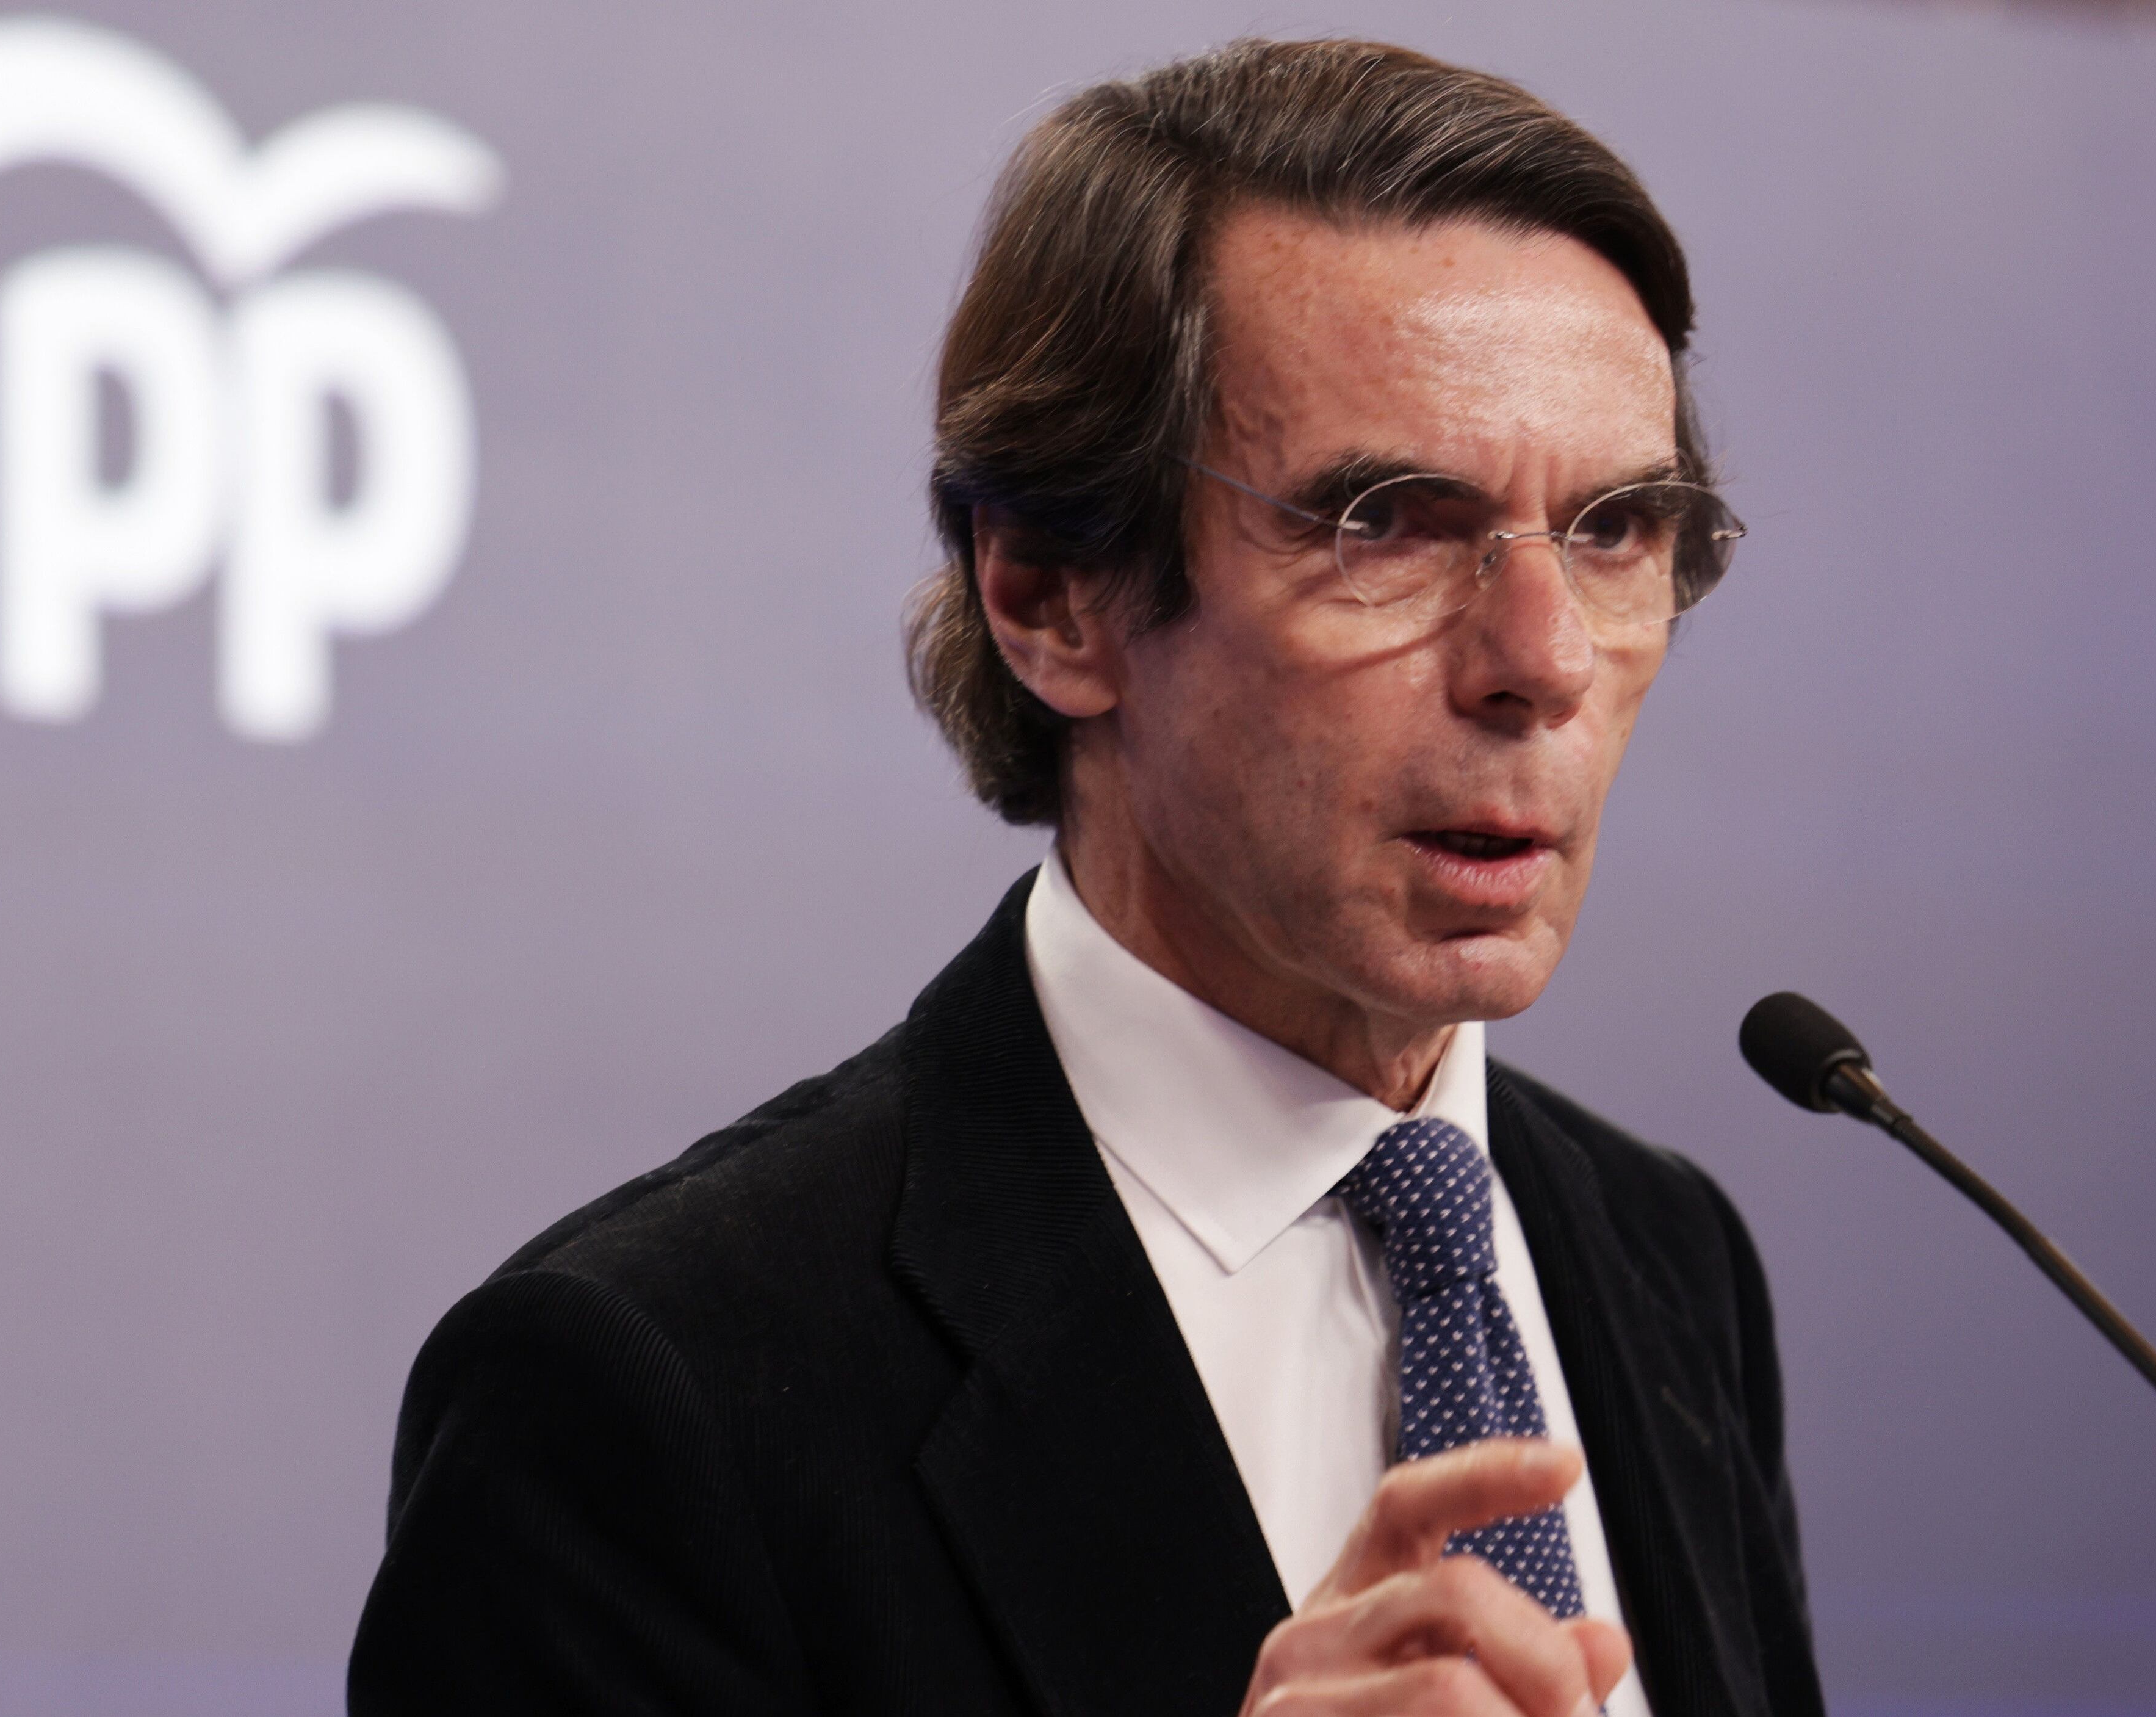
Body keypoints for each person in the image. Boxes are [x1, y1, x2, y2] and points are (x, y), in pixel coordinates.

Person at [351, 37, 1820, 1717]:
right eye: (1389, 526)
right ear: (1051, 598)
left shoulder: (1663, 1259)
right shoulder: (642, 1392)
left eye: (1616, 529)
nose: (1541, 661)